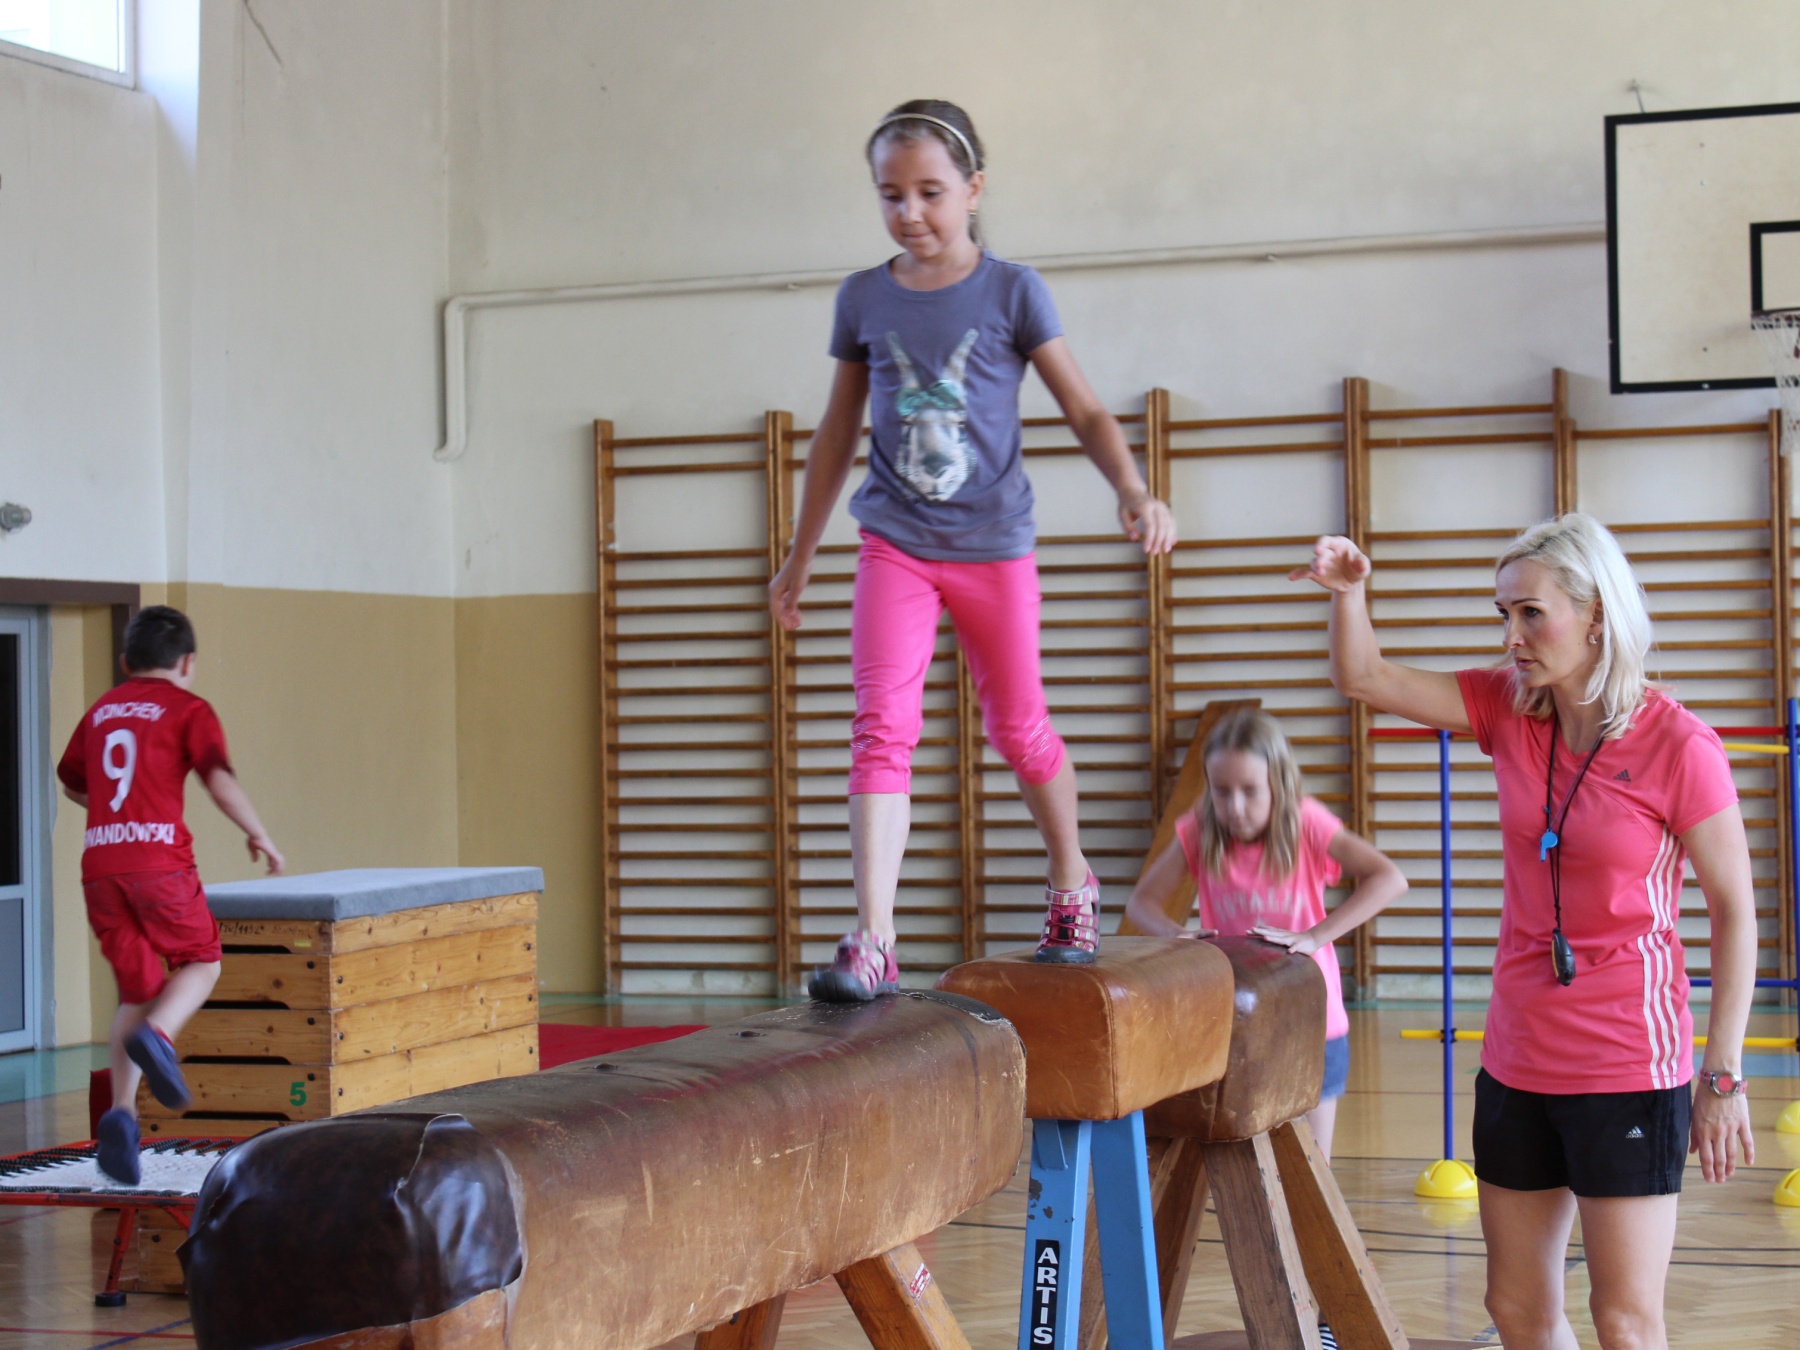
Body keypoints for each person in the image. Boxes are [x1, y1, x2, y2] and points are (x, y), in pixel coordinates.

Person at [1292, 514, 1756, 1350]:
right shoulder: (1509, 709)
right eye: (1503, 614)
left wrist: (1720, 1075)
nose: (1511, 637)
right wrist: (1350, 593)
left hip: (1627, 1063)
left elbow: (1735, 911)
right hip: (1517, 1057)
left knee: (1624, 1320)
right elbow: (1364, 676)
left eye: (1531, 614)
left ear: (1596, 615)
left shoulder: (1680, 746)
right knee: (1516, 1310)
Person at [769, 99, 1176, 1000]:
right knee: (881, 727)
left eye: (930, 192)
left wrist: (1132, 488)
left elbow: (1084, 408)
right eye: (891, 195)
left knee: (1019, 729)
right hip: (895, 544)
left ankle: (1071, 880)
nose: (910, 212)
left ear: (974, 189)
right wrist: (800, 555)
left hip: (995, 545)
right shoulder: (863, 299)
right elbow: (835, 433)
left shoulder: (1012, 291)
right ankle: (874, 938)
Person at [57, 606, 284, 1184]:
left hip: (101, 868)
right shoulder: (188, 709)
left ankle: (122, 1115)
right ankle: (159, 1037)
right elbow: (218, 779)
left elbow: (72, 782)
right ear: (187, 663)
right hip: (158, 864)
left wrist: (118, 814)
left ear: (125, 661)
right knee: (202, 961)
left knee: (137, 991)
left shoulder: (101, 710)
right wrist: (256, 832)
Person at [1124, 707, 1407, 1159]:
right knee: (1244, 1163)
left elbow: (1389, 878)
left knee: (1310, 1166)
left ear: (1278, 782)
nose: (1235, 807)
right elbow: (1142, 902)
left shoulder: (1306, 822)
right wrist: (1177, 934)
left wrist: (1315, 935)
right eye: (1222, 791)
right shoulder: (1202, 829)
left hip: (1313, 1021)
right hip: (1238, 1021)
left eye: (1250, 791)